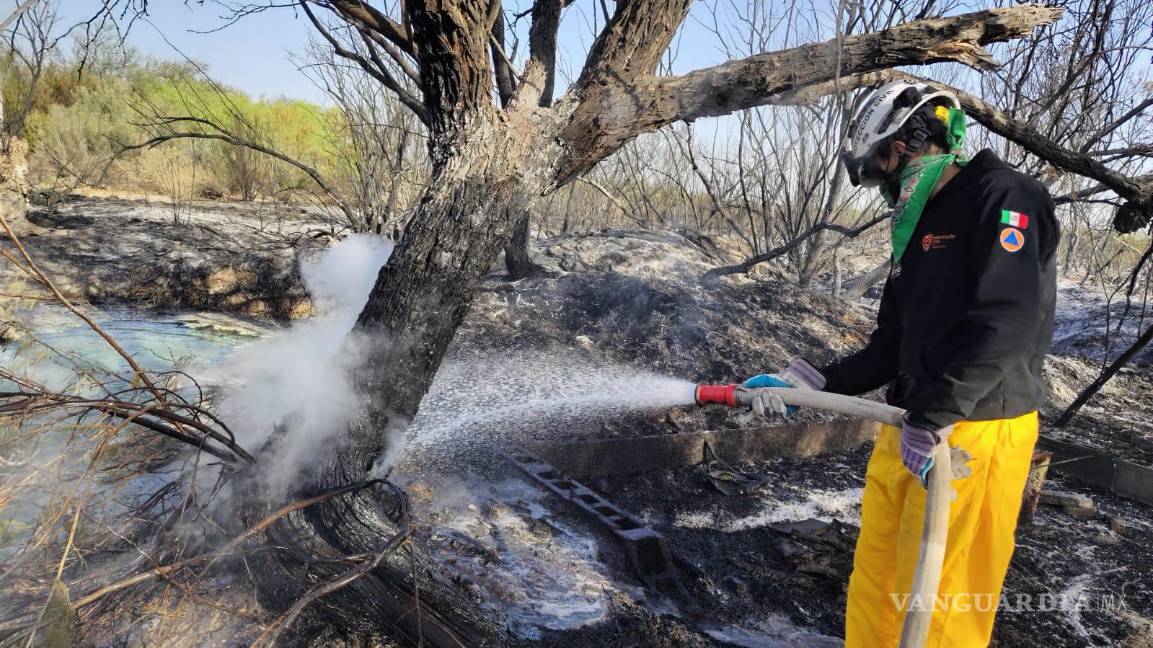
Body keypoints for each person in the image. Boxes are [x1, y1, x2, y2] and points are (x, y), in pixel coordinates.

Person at [746, 80, 1059, 647]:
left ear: (918, 138)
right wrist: (819, 381)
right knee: (878, 579)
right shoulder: (919, 221)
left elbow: (1007, 324)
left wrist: (936, 414)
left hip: (975, 432)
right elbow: (894, 342)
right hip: (911, 425)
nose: (884, 185)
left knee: (938, 601)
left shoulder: (1005, 197)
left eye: (883, 165)